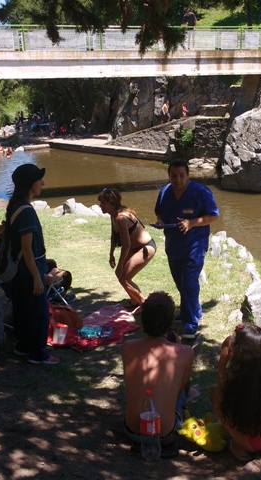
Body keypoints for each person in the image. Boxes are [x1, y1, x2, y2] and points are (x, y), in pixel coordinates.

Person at [122, 291, 194, 457]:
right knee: (181, 391)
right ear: (169, 322)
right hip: (164, 434)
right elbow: (179, 388)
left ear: (144, 319)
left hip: (131, 430)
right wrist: (179, 345)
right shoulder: (185, 352)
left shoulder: (128, 347)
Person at [154, 160, 219, 339]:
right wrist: (160, 221)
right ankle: (192, 310)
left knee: (189, 282)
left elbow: (213, 216)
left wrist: (191, 223)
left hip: (194, 245)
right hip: (173, 246)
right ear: (169, 176)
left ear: (188, 175)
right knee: (180, 283)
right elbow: (159, 212)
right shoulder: (164, 192)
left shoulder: (201, 192)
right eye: (174, 175)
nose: (178, 179)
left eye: (182, 175)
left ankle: (190, 324)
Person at [211, 323, 261, 462]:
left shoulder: (239, 379)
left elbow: (221, 392)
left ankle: (240, 447)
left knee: (215, 394)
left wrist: (223, 359)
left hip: (252, 444)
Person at [6, 163, 59, 365]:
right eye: (39, 180)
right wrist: (38, 277)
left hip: (20, 271)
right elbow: (27, 249)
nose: (43, 183)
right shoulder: (26, 211)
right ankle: (38, 354)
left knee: (23, 309)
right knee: (38, 313)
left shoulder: (15, 206)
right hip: (29, 271)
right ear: (30, 184)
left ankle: (22, 346)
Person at [98, 188, 156, 310]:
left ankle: (144, 305)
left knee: (124, 277)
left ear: (112, 203)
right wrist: (111, 254)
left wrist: (120, 265)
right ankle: (135, 301)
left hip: (146, 247)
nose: (100, 205)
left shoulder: (121, 217)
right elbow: (114, 235)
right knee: (121, 275)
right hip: (135, 247)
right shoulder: (114, 215)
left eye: (103, 202)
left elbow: (126, 245)